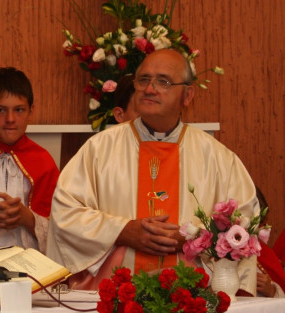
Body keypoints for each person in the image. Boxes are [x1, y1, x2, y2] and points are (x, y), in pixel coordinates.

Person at [47, 49, 259, 296]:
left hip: (195, 301)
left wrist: (191, 238)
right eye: (144, 80)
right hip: (114, 298)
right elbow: (65, 212)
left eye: (163, 82)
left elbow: (242, 225)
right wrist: (123, 230)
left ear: (187, 95)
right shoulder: (99, 149)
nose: (150, 88)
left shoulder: (218, 158)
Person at [0, 67, 60, 252]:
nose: (10, 119)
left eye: (19, 110)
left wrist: (27, 218)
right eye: (0, 110)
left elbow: (61, 232)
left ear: (31, 111)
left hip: (29, 267)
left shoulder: (44, 162)